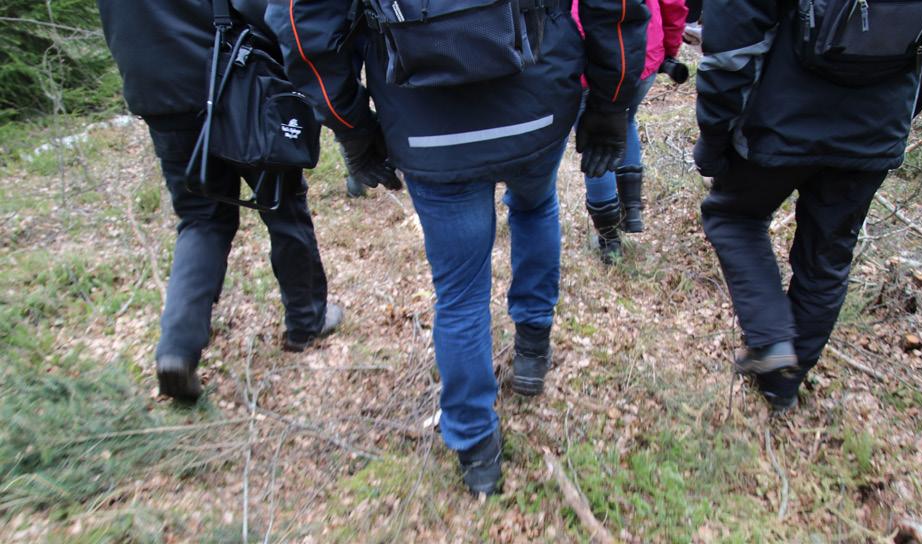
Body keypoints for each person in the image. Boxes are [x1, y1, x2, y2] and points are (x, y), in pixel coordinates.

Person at [267, 0, 649, 494]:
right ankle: (533, 348)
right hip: (536, 108)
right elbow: (615, 6)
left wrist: (353, 128)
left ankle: (475, 447)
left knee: (461, 291)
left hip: (428, 129)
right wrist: (611, 101)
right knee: (534, 207)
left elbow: (301, 28)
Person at [694, 0, 922, 412]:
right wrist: (893, 114)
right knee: (827, 257)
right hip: (874, 134)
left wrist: (714, 137)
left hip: (778, 125)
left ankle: (771, 342)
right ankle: (783, 385)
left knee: (734, 217)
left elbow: (731, 49)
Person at [97, 0, 344, 402]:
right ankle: (306, 321)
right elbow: (264, 10)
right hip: (234, 85)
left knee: (201, 220)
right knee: (283, 206)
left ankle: (177, 350)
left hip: (159, 96)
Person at [574, 0, 688, 263]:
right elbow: (674, 3)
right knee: (625, 120)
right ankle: (632, 212)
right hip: (644, 51)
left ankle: (609, 238)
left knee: (597, 142)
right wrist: (669, 48)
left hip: (587, 52)